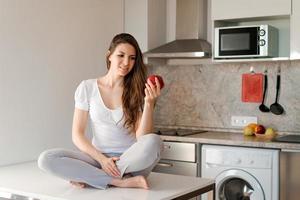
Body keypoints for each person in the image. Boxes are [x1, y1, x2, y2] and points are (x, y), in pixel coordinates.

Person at [38, 33, 163, 190]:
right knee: (46, 159)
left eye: (132, 58)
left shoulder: (136, 90)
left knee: (154, 142)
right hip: (97, 159)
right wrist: (103, 160)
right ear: (109, 55)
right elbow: (77, 135)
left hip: (131, 161)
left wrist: (149, 103)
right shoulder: (87, 87)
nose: (126, 63)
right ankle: (119, 181)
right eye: (121, 55)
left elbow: (142, 138)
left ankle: (93, 177)